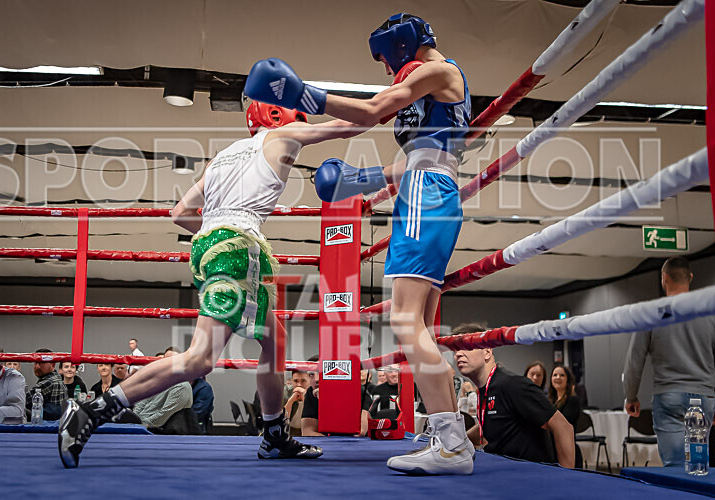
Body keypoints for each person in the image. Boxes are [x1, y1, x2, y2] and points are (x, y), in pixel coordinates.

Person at [58, 98, 364, 468]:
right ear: (278, 114)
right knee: (200, 359)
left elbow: (180, 213)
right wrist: (398, 101)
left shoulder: (226, 155)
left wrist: (217, 236)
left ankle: (273, 434)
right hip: (239, 246)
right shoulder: (284, 135)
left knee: (275, 338)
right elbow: (354, 124)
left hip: (210, 244)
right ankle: (94, 410)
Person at [245, 12, 477, 474]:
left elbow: (373, 112)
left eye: (385, 60)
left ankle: (452, 445)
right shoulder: (427, 96)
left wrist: (306, 94)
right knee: (421, 324)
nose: (387, 71)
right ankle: (444, 435)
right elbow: (408, 162)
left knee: (405, 317)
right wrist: (356, 181)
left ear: (400, 44)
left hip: (427, 193)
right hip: (426, 186)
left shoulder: (440, 70)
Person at [623, 257, 715, 466]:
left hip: (669, 397)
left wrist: (631, 396)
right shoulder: (709, 312)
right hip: (703, 396)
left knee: (675, 466)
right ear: (690, 277)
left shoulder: (651, 312)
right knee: (697, 466)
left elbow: (634, 360)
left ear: (663, 279)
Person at [453, 324, 575, 468]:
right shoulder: (486, 389)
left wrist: (567, 478)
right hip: (504, 474)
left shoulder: (513, 385)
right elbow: (495, 424)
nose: (458, 354)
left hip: (530, 477)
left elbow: (564, 427)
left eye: (466, 346)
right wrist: (456, 441)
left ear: (487, 351)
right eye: (455, 349)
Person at [132, 349, 194, 433]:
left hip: (160, 433)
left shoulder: (181, 385)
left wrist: (141, 425)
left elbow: (164, 414)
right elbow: (142, 402)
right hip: (143, 426)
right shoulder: (157, 381)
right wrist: (134, 419)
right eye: (165, 359)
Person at [26, 348, 67, 421]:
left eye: (42, 363)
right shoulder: (56, 377)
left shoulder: (49, 382)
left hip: (48, 427)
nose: (37, 366)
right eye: (36, 363)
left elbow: (22, 401)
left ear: (53, 365)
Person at [283, 368, 311, 436]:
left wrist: (306, 400)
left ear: (310, 382)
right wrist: (290, 401)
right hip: (287, 433)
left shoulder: (315, 395)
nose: (299, 385)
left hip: (308, 433)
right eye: (295, 381)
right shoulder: (284, 395)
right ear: (292, 381)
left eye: (303, 381)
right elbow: (280, 422)